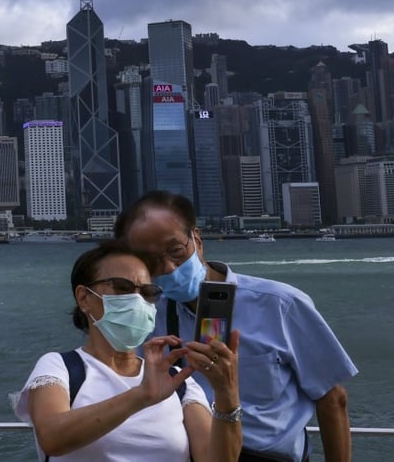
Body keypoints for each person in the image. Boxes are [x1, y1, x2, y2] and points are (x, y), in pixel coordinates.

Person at [115, 191, 358, 462]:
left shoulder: (280, 304)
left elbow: (332, 398)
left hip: (266, 456)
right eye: (151, 261)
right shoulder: (147, 317)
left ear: (197, 239)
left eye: (176, 251)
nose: (169, 267)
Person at [12, 240, 242, 461]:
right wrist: (141, 396)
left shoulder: (177, 382)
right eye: (122, 287)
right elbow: (51, 437)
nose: (137, 300)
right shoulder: (60, 367)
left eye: (148, 292)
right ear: (84, 298)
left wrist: (227, 394)